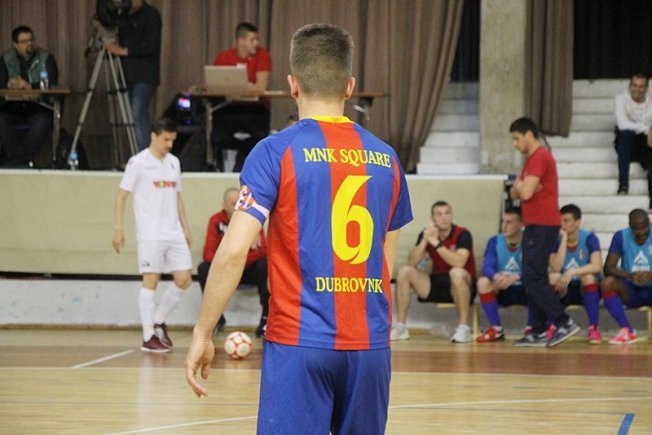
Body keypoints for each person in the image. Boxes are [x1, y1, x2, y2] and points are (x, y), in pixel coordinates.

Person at [186, 23, 413, 435]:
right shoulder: (388, 159)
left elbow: (234, 251)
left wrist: (203, 331)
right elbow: (385, 260)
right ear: (350, 87)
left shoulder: (274, 152)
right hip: (370, 347)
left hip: (299, 342)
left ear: (292, 85)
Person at [113, 118, 193, 353]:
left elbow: (177, 197)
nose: (169, 144)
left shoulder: (174, 162)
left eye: (172, 140)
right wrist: (118, 228)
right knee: (151, 280)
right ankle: (148, 336)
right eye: (166, 139)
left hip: (174, 231)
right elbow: (121, 196)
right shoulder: (138, 162)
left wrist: (185, 227)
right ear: (154, 136)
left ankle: (158, 319)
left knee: (184, 278)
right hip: (150, 232)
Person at [510, 116, 580, 347]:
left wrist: (522, 187)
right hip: (536, 224)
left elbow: (524, 193)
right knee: (536, 277)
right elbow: (514, 192)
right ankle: (539, 330)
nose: (514, 144)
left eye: (516, 138)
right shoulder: (531, 160)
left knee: (531, 277)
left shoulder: (540, 157)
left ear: (529, 135)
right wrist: (522, 187)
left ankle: (564, 322)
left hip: (541, 224)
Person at [391, 200, 477, 343]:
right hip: (437, 282)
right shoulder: (428, 233)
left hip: (463, 285)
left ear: (451, 215)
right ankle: (401, 326)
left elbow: (459, 262)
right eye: (439, 214)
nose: (444, 217)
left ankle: (464, 328)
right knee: (404, 271)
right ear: (433, 218)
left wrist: (436, 243)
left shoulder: (463, 234)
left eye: (447, 213)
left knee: (456, 273)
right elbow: (412, 262)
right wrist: (425, 240)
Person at [197, 187, 270, 337]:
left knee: (264, 265)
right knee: (203, 268)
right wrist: (228, 262)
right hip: (224, 271)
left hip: (246, 269)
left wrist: (239, 260)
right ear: (224, 205)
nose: (237, 207)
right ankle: (215, 319)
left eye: (239, 203)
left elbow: (264, 251)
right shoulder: (216, 221)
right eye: (232, 203)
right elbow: (208, 254)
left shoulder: (252, 220)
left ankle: (266, 318)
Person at [212, 22, 271, 172]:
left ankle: (239, 167)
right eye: (252, 40)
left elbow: (260, 87)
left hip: (255, 109)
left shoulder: (262, 55)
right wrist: (247, 87)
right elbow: (215, 86)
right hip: (229, 108)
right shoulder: (224, 57)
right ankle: (217, 170)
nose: (256, 43)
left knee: (259, 137)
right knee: (217, 136)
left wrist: (237, 88)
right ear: (241, 40)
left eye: (257, 39)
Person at [104, 0, 162, 152]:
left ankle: (145, 155)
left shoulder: (151, 15)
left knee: (138, 112)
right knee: (131, 117)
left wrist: (124, 51)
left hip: (144, 76)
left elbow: (151, 44)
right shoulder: (123, 15)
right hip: (126, 75)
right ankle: (139, 153)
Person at [0, 25, 58, 167]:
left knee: (43, 122)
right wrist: (11, 84)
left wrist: (29, 86)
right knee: (1, 120)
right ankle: (21, 163)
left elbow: (51, 80)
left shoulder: (46, 57)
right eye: (24, 42)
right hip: (12, 106)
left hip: (38, 106)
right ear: (15, 45)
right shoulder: (6, 59)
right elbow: (1, 82)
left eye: (31, 40)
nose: (29, 44)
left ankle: (15, 164)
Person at [548, 204, 603, 344]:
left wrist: (572, 272)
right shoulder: (555, 239)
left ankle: (594, 328)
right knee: (553, 276)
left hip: (583, 289)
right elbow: (555, 267)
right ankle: (552, 325)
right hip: (564, 289)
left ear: (577, 222)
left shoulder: (590, 238)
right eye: (560, 221)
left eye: (566, 220)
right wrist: (563, 240)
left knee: (588, 277)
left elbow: (597, 266)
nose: (562, 224)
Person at [599, 208, 652, 344]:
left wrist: (650, 275)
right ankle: (627, 330)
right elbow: (608, 268)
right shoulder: (621, 236)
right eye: (636, 229)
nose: (641, 232)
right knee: (607, 283)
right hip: (631, 290)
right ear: (630, 226)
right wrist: (628, 275)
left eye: (644, 228)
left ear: (649, 223)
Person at [476, 206, 528, 343]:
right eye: (502, 221)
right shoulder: (494, 241)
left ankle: (532, 328)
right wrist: (496, 276)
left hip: (524, 289)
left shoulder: (529, 241)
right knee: (483, 282)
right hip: (502, 288)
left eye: (509, 222)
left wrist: (517, 276)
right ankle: (496, 329)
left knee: (538, 281)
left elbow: (535, 268)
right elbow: (487, 266)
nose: (504, 226)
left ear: (521, 224)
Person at [614, 73, 652, 208]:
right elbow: (622, 124)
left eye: (641, 86)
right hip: (625, 144)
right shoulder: (620, 99)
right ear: (630, 86)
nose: (637, 89)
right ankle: (623, 184)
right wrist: (647, 129)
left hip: (644, 143)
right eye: (635, 85)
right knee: (626, 134)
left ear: (646, 88)